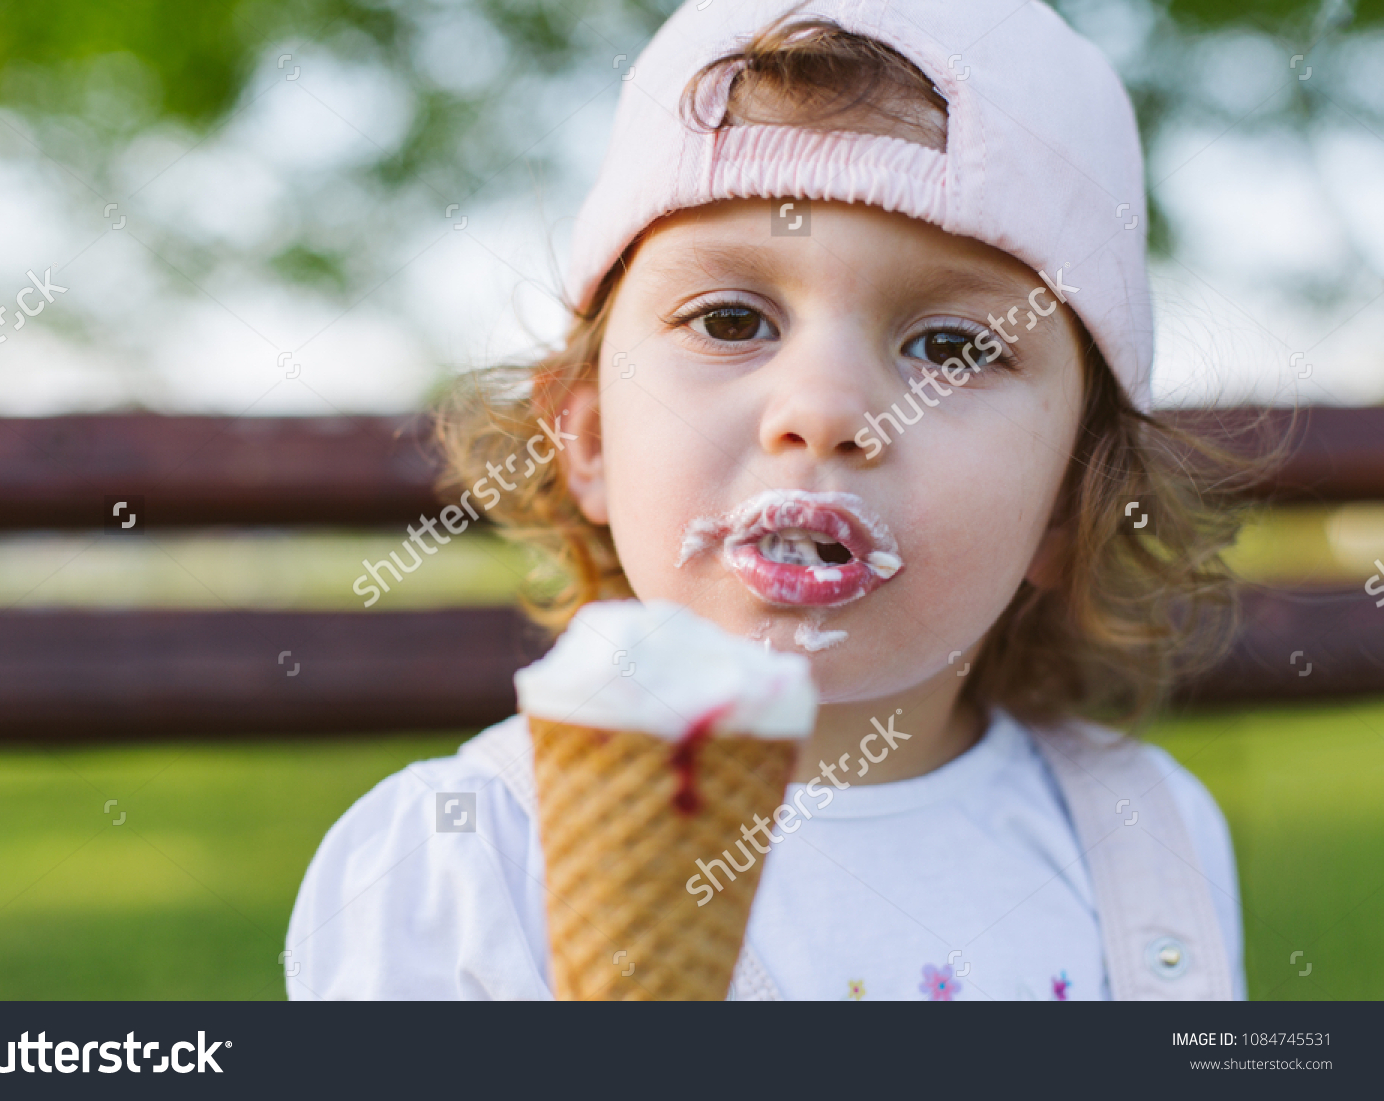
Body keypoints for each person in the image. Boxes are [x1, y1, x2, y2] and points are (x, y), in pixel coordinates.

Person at [287, 0, 1256, 1000]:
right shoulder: (455, 864)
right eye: (732, 318)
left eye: (952, 348)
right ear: (588, 441)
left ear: (1070, 497)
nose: (825, 410)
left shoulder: (1148, 840)